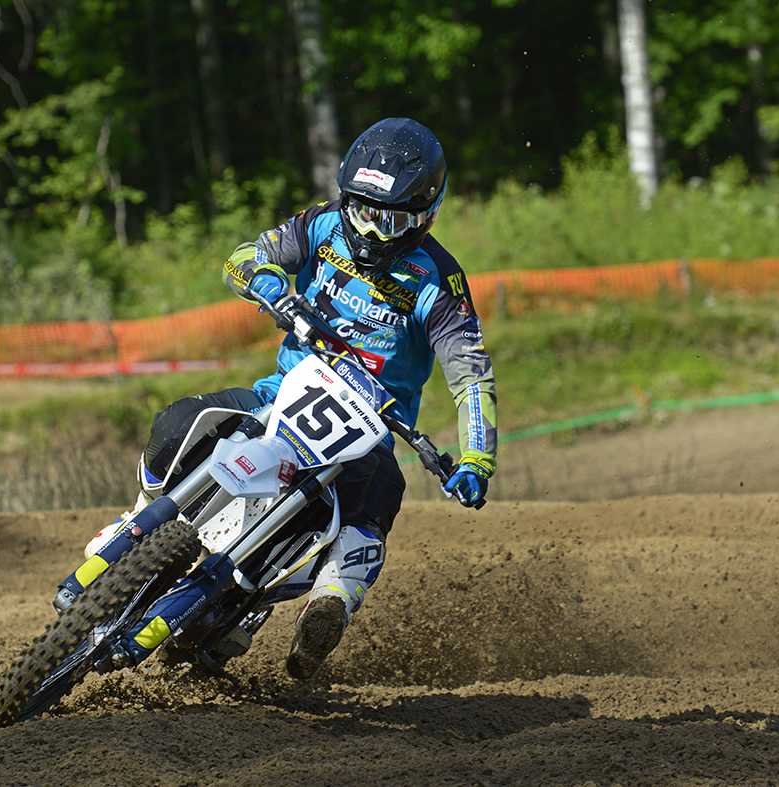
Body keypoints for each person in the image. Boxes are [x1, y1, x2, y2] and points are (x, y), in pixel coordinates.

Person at [85, 117, 498, 680]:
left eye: (391, 220)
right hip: (280, 392)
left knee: (378, 496)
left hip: (367, 431)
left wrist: (476, 458)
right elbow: (243, 256)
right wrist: (267, 282)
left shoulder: (439, 283)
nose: (373, 232)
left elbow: (471, 376)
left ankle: (330, 602)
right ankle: (137, 516)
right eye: (363, 211)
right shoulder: (321, 225)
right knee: (179, 421)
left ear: (427, 213)